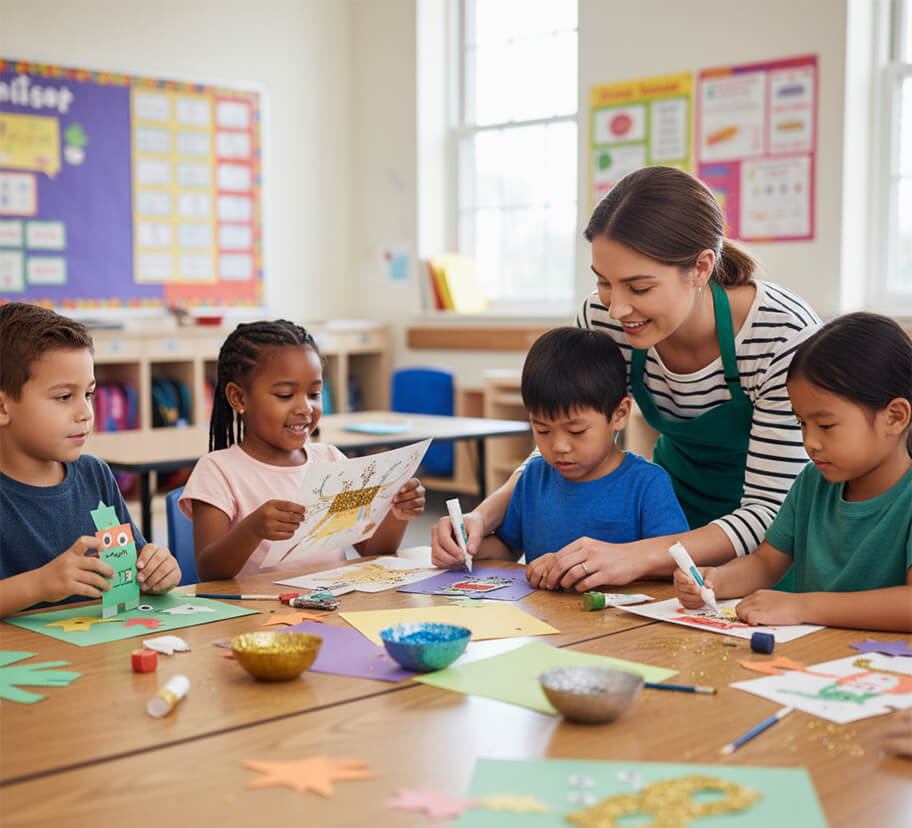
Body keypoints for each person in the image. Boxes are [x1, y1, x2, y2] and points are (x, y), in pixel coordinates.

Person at [432, 166, 821, 590]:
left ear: (701, 268)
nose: (617, 309)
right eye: (603, 281)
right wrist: (482, 517)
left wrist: (634, 555)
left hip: (770, 545)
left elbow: (770, 510)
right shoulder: (603, 318)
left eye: (639, 287)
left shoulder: (781, 335)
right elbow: (570, 430)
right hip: (670, 511)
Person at [673, 313, 912, 631]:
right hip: (813, 657)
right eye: (802, 423)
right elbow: (765, 564)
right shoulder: (812, 482)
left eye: (826, 425)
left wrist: (803, 606)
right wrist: (717, 579)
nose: (810, 442)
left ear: (894, 417)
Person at [432, 327, 688, 579]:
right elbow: (509, 548)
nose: (559, 447)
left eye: (576, 431)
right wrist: (465, 547)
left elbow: (674, 562)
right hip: (544, 617)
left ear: (620, 414)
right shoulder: (534, 477)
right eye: (542, 430)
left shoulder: (646, 484)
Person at [181, 319, 425, 580]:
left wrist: (397, 514)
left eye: (314, 394)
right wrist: (252, 529)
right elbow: (209, 571)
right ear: (239, 398)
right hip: (258, 615)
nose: (305, 408)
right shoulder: (218, 470)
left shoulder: (331, 461)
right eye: (285, 395)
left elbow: (372, 549)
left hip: (328, 607)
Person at [0, 302, 180, 617]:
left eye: (89, 394)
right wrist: (40, 585)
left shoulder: (94, 475)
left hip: (96, 655)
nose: (86, 413)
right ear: (3, 408)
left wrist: (156, 572)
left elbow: (127, 574)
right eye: (64, 397)